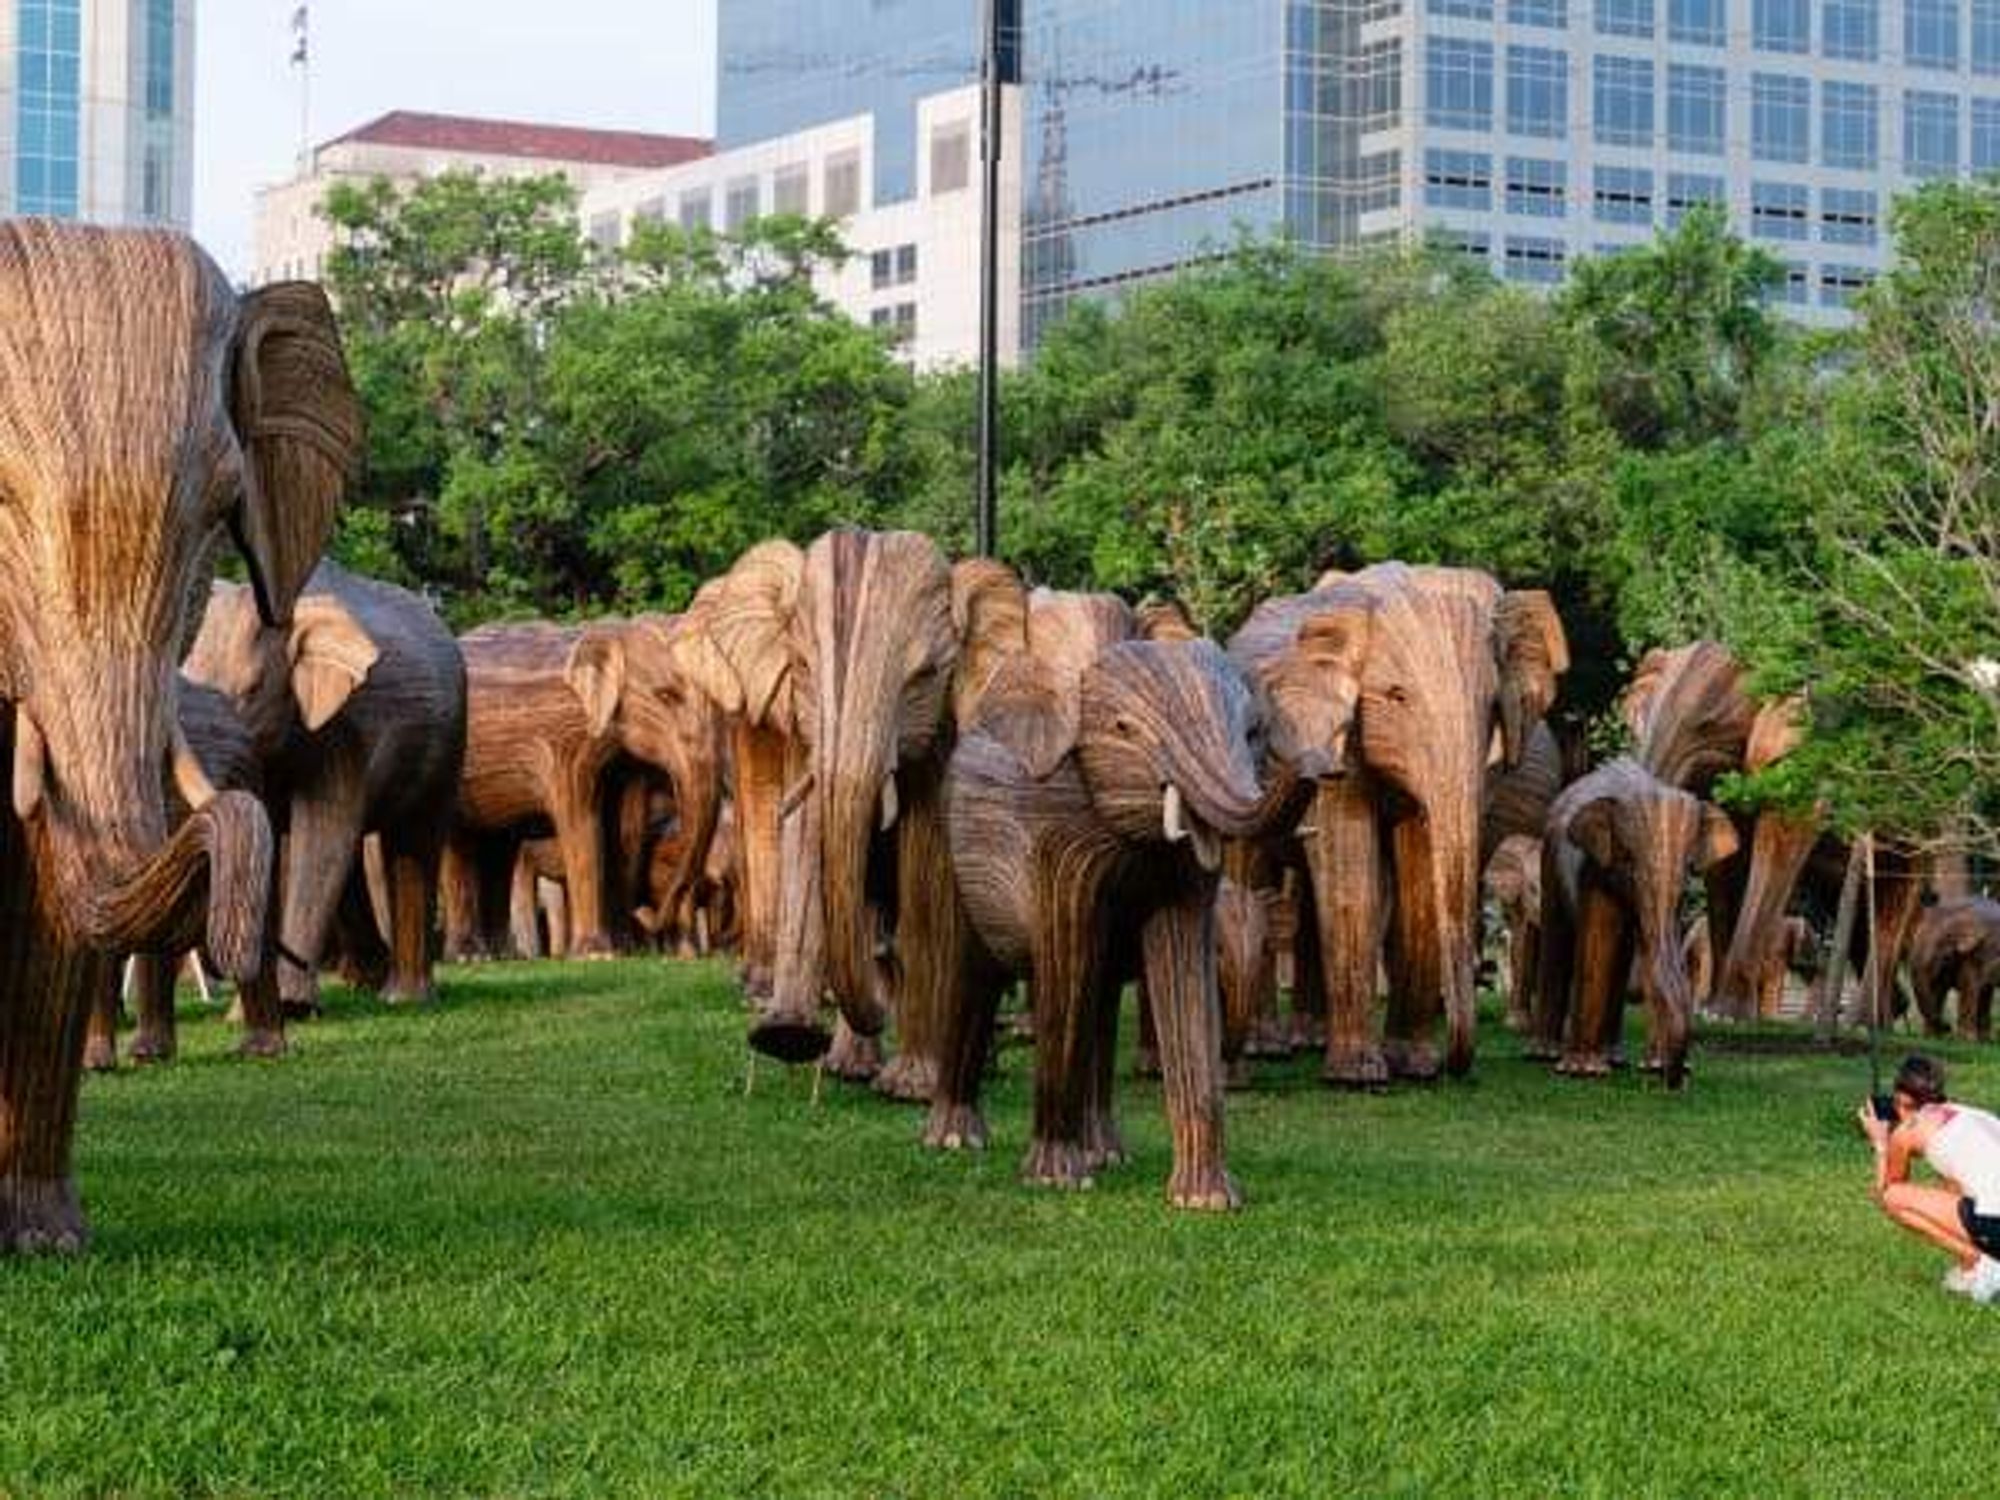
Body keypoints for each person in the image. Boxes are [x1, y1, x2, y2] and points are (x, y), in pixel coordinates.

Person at [1859, 1053, 2000, 1302]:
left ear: (1901, 1099)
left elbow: (1885, 1192)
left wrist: (1880, 1143)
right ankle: (1978, 1264)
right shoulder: (1970, 1114)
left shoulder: (1909, 1129)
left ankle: (1980, 1265)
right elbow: (1958, 1186)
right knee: (1955, 1185)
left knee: (1894, 1198)